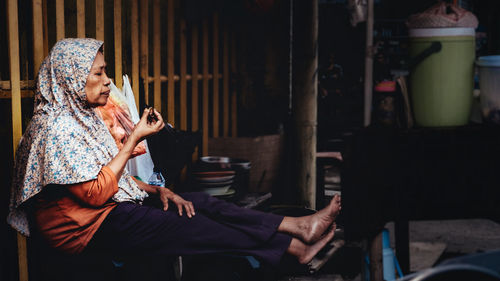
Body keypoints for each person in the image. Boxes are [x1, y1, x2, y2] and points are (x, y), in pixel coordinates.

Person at [7, 38, 341, 268]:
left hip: (107, 210)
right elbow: (94, 194)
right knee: (193, 227)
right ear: (72, 79)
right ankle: (293, 248)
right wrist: (134, 136)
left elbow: (104, 179)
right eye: (99, 73)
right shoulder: (55, 130)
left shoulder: (81, 118)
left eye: (106, 72)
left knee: (200, 204)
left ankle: (297, 228)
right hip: (84, 229)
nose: (108, 81)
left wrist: (155, 189)